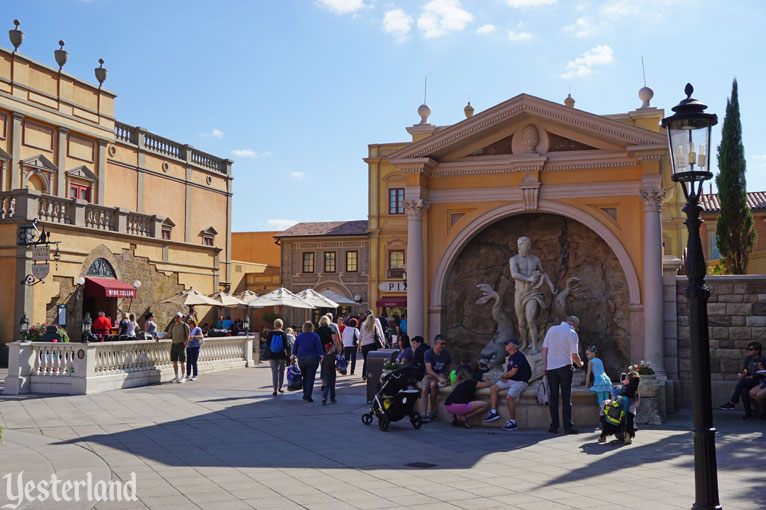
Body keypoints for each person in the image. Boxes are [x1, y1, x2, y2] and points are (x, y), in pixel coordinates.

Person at [510, 236, 556, 351]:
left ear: (529, 246)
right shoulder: (514, 259)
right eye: (519, 245)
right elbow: (514, 274)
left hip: (533, 293)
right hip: (520, 293)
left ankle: (535, 346)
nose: (521, 247)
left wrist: (551, 285)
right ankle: (525, 343)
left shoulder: (535, 259)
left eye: (524, 245)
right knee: (521, 322)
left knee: (530, 319)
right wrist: (528, 279)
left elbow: (543, 273)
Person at [542, 315, 583, 434]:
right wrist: (580, 364)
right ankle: (567, 427)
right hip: (565, 367)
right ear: (574, 324)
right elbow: (574, 355)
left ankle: (554, 426)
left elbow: (544, 349)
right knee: (566, 397)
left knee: (553, 397)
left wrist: (545, 366)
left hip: (551, 367)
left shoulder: (551, 329)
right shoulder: (572, 333)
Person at [484, 338, 531, 431]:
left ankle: (513, 422)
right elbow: (510, 373)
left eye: (507, 344)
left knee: (509, 397)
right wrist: (505, 377)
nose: (505, 346)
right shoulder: (511, 356)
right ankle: (494, 412)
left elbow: (513, 372)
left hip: (520, 381)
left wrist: (504, 376)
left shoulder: (518, 355)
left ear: (513, 345)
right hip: (510, 380)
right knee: (494, 388)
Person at [720, 341, 766, 420]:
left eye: (751, 349)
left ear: (757, 351)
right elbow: (745, 369)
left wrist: (752, 376)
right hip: (749, 381)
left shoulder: (762, 360)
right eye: (748, 349)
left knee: (742, 382)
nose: (748, 351)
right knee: (744, 390)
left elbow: (762, 372)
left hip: (758, 381)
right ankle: (748, 414)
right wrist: (743, 374)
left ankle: (732, 402)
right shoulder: (748, 359)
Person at [421, 334, 452, 423]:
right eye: (442, 344)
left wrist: (448, 377)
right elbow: (428, 369)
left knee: (433, 385)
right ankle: (423, 413)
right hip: (429, 375)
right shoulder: (428, 353)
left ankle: (431, 411)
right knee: (424, 389)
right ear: (436, 343)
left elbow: (449, 367)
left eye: (445, 344)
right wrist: (439, 378)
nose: (444, 346)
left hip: (441, 374)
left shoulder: (446, 354)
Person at [291, 321, 324, 402]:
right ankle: (308, 394)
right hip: (313, 358)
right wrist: (322, 356)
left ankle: (305, 392)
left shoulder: (299, 336)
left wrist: (293, 356)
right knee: (311, 377)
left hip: (302, 358)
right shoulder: (315, 336)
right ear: (312, 328)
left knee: (304, 376)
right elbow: (319, 348)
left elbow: (295, 348)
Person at [267, 319, 291, 395]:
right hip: (281, 355)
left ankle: (274, 390)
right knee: (281, 371)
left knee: (274, 372)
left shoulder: (270, 333)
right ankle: (280, 387)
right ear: (281, 325)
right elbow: (286, 346)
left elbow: (268, 344)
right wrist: (288, 357)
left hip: (272, 355)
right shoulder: (283, 333)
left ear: (274, 325)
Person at [358, 313, 384, 380]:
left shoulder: (363, 325)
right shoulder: (375, 326)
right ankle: (371, 374)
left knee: (365, 360)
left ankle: (364, 374)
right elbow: (378, 335)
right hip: (372, 344)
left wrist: (359, 346)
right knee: (372, 361)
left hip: (364, 345)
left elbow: (360, 337)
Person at [167, 312, 190, 383]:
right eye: (175, 317)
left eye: (177, 317)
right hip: (174, 344)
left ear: (181, 318)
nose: (176, 319)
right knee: (174, 361)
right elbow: (168, 335)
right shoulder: (173, 326)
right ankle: (176, 376)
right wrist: (160, 338)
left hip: (181, 345)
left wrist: (186, 343)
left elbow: (188, 335)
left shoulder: (184, 325)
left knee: (182, 361)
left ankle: (183, 376)